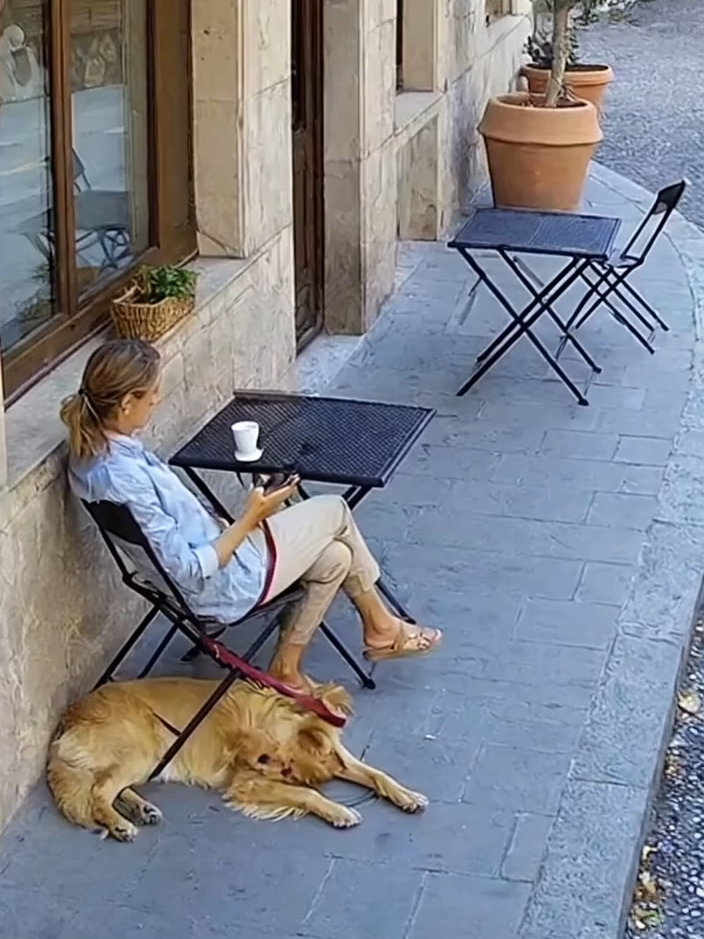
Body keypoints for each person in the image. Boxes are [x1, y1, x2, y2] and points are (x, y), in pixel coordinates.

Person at [60, 339, 441, 692]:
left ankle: (287, 668)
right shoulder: (124, 477)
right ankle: (381, 627)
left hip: (219, 554)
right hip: (222, 585)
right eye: (153, 392)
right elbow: (190, 569)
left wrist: (236, 522)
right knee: (334, 510)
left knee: (335, 558)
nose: (158, 399)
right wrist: (250, 517)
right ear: (127, 402)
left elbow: (175, 535)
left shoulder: (95, 455)